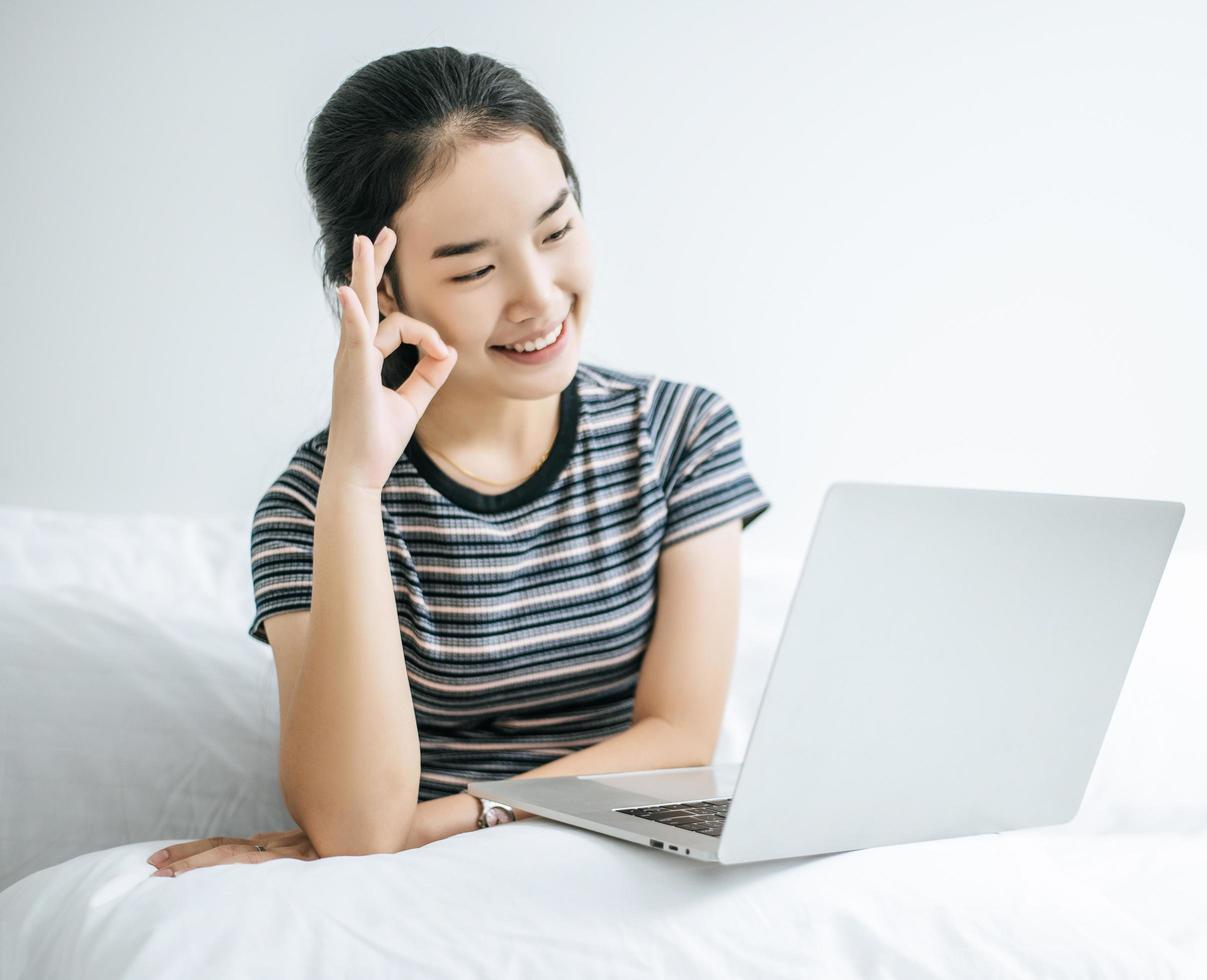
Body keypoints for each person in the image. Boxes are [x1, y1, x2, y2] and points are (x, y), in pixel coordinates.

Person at [147, 46, 770, 878]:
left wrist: (463, 816)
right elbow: (360, 831)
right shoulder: (312, 503)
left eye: (557, 229)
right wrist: (356, 485)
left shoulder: (678, 434)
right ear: (385, 295)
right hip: (428, 886)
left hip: (619, 858)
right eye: (475, 267)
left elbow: (681, 738)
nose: (539, 296)